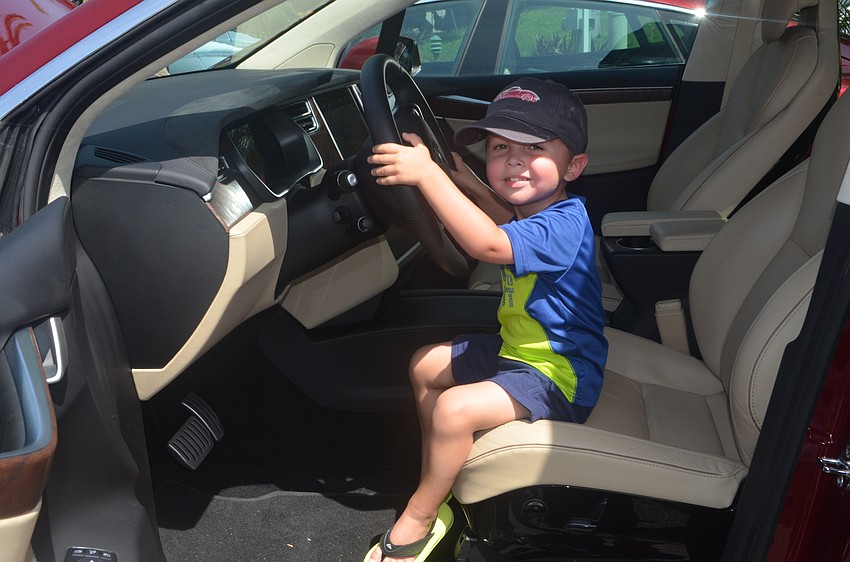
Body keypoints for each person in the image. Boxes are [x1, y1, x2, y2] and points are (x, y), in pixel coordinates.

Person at [364, 77, 608, 562]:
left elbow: (489, 244)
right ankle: (443, 469)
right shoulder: (536, 207)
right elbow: (503, 219)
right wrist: (461, 178)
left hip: (559, 372)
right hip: (518, 351)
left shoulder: (563, 222)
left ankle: (422, 513)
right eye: (499, 147)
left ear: (574, 166)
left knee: (454, 408)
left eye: (534, 146)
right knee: (424, 364)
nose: (514, 159)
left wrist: (427, 177)